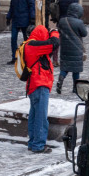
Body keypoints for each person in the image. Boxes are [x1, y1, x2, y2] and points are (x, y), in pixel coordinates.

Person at [23, 25, 59, 154]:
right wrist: (54, 32)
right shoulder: (33, 46)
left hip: (35, 85)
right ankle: (38, 145)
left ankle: (33, 143)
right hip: (39, 85)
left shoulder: (31, 45)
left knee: (34, 115)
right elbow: (54, 43)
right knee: (40, 117)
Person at [56, 3, 86, 94]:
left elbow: (59, 31)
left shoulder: (62, 21)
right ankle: (75, 88)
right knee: (76, 69)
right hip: (76, 48)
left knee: (65, 67)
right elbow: (84, 33)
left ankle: (61, 79)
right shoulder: (79, 22)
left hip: (65, 47)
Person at [6, 0, 35, 65]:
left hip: (25, 20)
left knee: (26, 40)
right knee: (13, 39)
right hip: (15, 20)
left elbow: (31, 5)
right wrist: (8, 17)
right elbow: (11, 7)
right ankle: (14, 57)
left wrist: (32, 18)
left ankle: (28, 57)